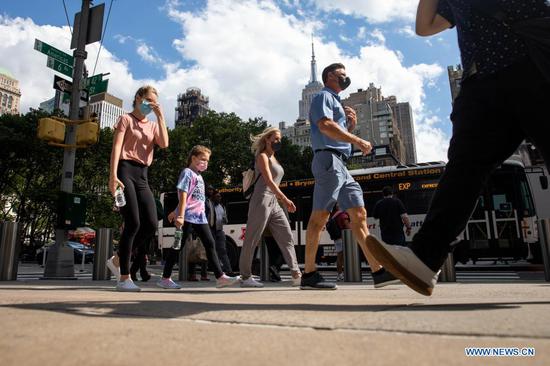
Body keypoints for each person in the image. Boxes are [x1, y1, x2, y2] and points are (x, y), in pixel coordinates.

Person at [365, 0, 550, 296]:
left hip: (534, 65)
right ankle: (424, 259)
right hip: (483, 84)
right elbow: (424, 27)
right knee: (464, 169)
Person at [302, 63, 396, 290]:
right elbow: (325, 126)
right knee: (319, 218)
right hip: (328, 161)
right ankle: (309, 274)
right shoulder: (322, 97)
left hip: (342, 166)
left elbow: (336, 135)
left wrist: (350, 127)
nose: (346, 77)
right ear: (329, 77)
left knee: (359, 215)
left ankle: (378, 271)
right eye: (341, 74)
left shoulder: (336, 102)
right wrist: (357, 140)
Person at [106, 85, 168, 292]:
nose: (151, 104)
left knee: (150, 224)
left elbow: (164, 143)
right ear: (138, 98)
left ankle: (118, 257)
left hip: (143, 175)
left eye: (154, 102)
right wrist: (112, 176)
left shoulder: (152, 125)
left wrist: (160, 117)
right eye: (148, 100)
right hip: (125, 170)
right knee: (132, 222)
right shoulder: (125, 119)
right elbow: (116, 147)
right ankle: (124, 278)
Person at [157, 145, 240, 289]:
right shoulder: (187, 173)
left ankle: (220, 277)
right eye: (203, 159)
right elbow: (183, 195)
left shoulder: (199, 177)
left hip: (200, 217)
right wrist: (180, 215)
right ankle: (165, 278)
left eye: (207, 160)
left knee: (210, 243)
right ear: (193, 158)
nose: (205, 163)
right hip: (188, 216)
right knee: (177, 246)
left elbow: (191, 198)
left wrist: (174, 211)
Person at [238, 127, 302, 287]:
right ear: (267, 139)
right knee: (252, 238)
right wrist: (286, 199)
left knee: (286, 236)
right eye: (276, 138)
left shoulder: (275, 158)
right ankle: (246, 277)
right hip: (261, 200)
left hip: (274, 201)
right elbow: (269, 181)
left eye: (279, 139)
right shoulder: (262, 156)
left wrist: (280, 200)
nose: (278, 141)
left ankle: (296, 274)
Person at [206, 190, 234, 275]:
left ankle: (229, 271)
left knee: (223, 251)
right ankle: (217, 272)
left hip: (219, 231)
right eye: (217, 196)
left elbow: (225, 219)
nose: (220, 198)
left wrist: (224, 220)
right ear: (213, 197)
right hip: (211, 230)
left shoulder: (221, 206)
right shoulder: (208, 205)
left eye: (220, 196)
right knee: (211, 251)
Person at [325, 203, 350, 282]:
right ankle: (344, 274)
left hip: (337, 238)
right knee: (343, 257)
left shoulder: (334, 215)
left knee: (339, 256)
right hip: (343, 238)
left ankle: (340, 274)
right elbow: (347, 226)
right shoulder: (343, 215)